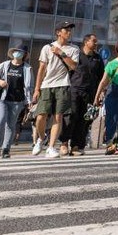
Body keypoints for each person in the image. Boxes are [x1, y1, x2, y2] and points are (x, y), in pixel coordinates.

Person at [32, 22, 80, 158]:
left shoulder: (74, 49)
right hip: (46, 85)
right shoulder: (47, 48)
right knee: (41, 116)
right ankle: (41, 139)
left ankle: (51, 147)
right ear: (58, 32)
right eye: (66, 30)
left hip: (63, 85)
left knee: (58, 116)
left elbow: (73, 67)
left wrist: (61, 54)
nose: (69, 32)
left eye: (70, 30)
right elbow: (41, 69)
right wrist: (36, 89)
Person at [62, 34, 104, 156]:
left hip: (90, 93)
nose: (96, 44)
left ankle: (76, 146)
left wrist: (100, 93)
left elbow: (101, 77)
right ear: (86, 42)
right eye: (94, 41)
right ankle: (64, 143)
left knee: (84, 119)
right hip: (74, 90)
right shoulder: (77, 54)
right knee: (71, 116)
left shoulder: (98, 58)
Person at [0, 46, 32, 158]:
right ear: (12, 53)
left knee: (11, 125)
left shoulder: (27, 68)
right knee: (0, 120)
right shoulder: (4, 65)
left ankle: (6, 149)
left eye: (21, 52)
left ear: (25, 54)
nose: (18, 54)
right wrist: (0, 81)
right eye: (16, 52)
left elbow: (29, 87)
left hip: (17, 101)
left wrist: (29, 102)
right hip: (2, 99)